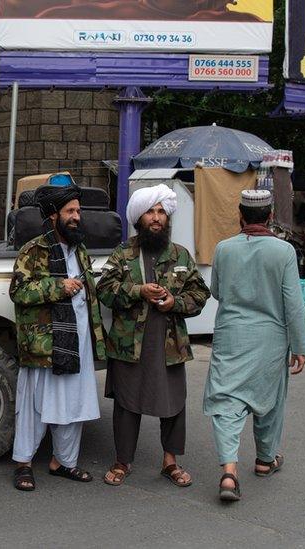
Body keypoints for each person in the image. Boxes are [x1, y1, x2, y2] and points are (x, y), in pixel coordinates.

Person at [96, 184, 209, 488]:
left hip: (169, 343)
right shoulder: (123, 254)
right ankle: (122, 461)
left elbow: (200, 293)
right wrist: (138, 291)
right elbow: (104, 291)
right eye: (150, 211)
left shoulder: (180, 255)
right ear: (139, 218)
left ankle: (170, 462)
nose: (156, 217)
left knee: (173, 401)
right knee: (127, 402)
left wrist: (176, 302)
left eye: (161, 211)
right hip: (129, 344)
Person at [203, 190, 305, 502]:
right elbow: (293, 303)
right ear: (270, 216)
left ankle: (229, 472)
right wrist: (300, 345)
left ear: (240, 215)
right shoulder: (284, 251)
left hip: (230, 336)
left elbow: (217, 292)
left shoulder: (223, 249)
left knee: (227, 402)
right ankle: (265, 460)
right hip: (271, 339)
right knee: (269, 398)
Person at [9, 183, 107, 491]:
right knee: (35, 407)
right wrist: (57, 287)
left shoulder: (80, 250)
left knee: (72, 405)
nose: (77, 216)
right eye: (71, 211)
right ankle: (23, 464)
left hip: (76, 343)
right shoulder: (33, 251)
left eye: (78, 211)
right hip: (44, 346)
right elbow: (19, 292)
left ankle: (64, 462)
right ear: (53, 215)